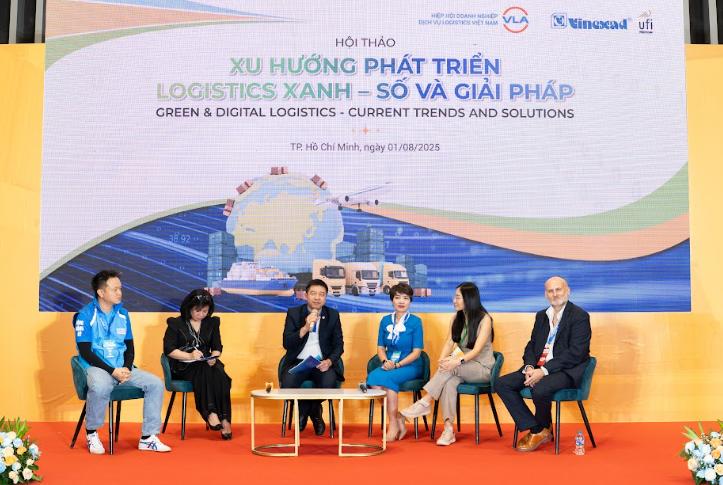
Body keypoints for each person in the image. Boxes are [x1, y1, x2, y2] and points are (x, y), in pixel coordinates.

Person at [74, 270, 171, 454]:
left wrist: (126, 367)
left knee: (156, 384)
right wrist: (112, 371)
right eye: (115, 289)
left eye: (120, 288)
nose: (120, 293)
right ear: (101, 292)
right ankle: (92, 433)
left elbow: (130, 347)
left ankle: (148, 438)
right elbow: (85, 351)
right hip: (97, 367)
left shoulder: (123, 314)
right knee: (101, 386)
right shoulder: (85, 315)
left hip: (121, 367)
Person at [496, 276, 591, 452]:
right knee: (502, 384)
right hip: (538, 367)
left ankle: (540, 430)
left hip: (565, 370)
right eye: (550, 291)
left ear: (568, 291)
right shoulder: (541, 316)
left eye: (558, 289)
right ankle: (538, 429)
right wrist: (529, 367)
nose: (555, 294)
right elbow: (532, 345)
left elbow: (576, 353)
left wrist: (544, 371)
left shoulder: (580, 316)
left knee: (539, 388)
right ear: (546, 294)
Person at [401, 282, 494, 446]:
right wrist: (442, 361)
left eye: (458, 297)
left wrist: (455, 361)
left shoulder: (484, 319)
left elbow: (477, 350)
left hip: (482, 368)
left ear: (469, 299)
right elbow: (449, 342)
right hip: (461, 367)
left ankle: (425, 401)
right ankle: (448, 429)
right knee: (449, 383)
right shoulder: (456, 318)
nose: (454, 300)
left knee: (452, 368)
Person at [164, 289, 233, 440]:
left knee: (220, 373)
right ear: (189, 308)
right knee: (204, 369)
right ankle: (210, 412)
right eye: (198, 310)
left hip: (205, 363)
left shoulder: (212, 323)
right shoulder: (176, 323)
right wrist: (189, 355)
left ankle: (225, 419)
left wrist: (213, 357)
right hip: (183, 366)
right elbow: (169, 350)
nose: (201, 314)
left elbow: (217, 347)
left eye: (205, 311)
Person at [280, 279, 344, 436]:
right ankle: (314, 412)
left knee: (329, 383)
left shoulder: (332, 315)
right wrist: (305, 328)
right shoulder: (294, 313)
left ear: (325, 297)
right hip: (298, 362)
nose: (317, 297)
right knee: (287, 384)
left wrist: (329, 361)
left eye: (321, 294)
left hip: (321, 363)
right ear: (306, 295)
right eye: (313, 293)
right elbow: (287, 343)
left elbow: (339, 345)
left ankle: (306, 410)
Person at [366, 283, 424, 441]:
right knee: (372, 379)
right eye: (397, 297)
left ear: (410, 301)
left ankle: (392, 425)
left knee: (388, 379)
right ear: (392, 300)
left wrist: (398, 365)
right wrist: (385, 361)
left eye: (405, 298)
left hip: (410, 365)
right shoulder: (385, 321)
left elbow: (417, 352)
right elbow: (380, 347)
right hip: (389, 363)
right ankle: (397, 417)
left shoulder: (415, 322)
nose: (401, 301)